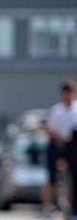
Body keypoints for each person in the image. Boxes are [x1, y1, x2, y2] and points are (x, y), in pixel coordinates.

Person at [46, 80, 77, 212]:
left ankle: (71, 205)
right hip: (57, 146)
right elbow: (48, 129)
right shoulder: (56, 110)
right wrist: (61, 139)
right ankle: (49, 204)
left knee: (72, 177)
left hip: (74, 148)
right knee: (52, 177)